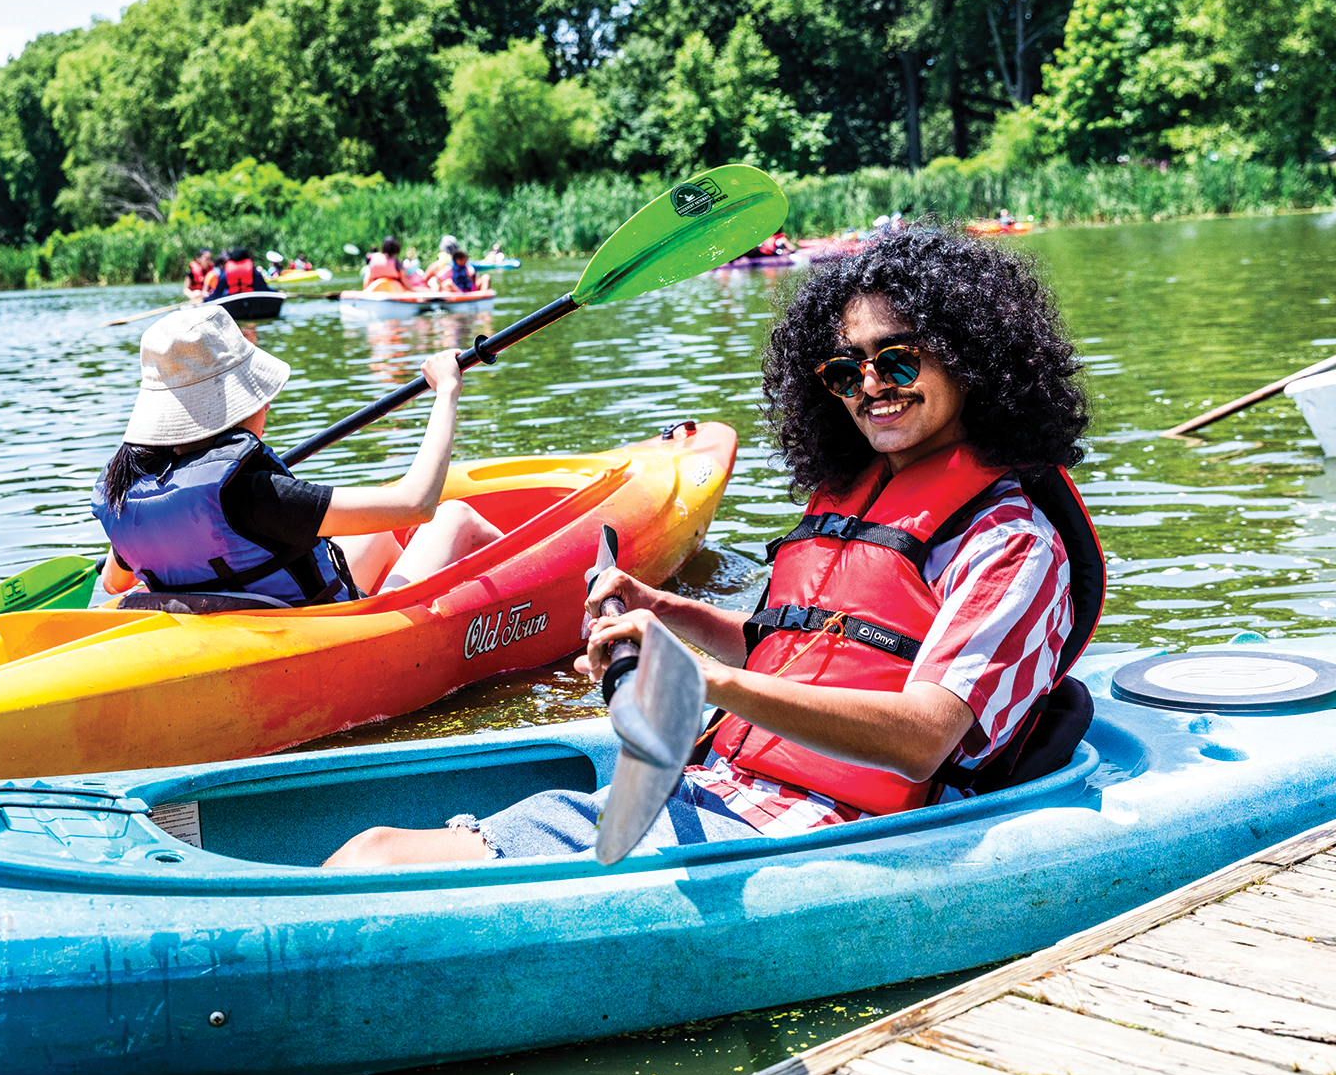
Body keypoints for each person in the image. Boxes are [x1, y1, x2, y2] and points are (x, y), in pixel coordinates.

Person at [327, 228, 1103, 866]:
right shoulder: (855, 494)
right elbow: (784, 648)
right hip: (717, 785)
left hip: (816, 834)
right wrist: (664, 611)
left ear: (974, 360)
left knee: (377, 860)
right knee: (371, 843)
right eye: (845, 370)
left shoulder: (1009, 542)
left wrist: (703, 683)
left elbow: (924, 737)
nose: (871, 385)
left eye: (897, 360)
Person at [93, 306, 502, 607]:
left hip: (239, 629)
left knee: (375, 532)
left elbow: (114, 582)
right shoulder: (257, 493)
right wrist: (447, 391)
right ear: (232, 406)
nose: (266, 405)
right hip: (323, 635)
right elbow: (418, 502)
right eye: (258, 396)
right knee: (454, 516)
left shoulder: (128, 493)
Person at [206, 246, 274, 301]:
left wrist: (204, 300)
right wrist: (277, 292)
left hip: (233, 303)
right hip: (252, 301)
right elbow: (265, 289)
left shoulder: (225, 274)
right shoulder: (254, 272)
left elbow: (216, 294)